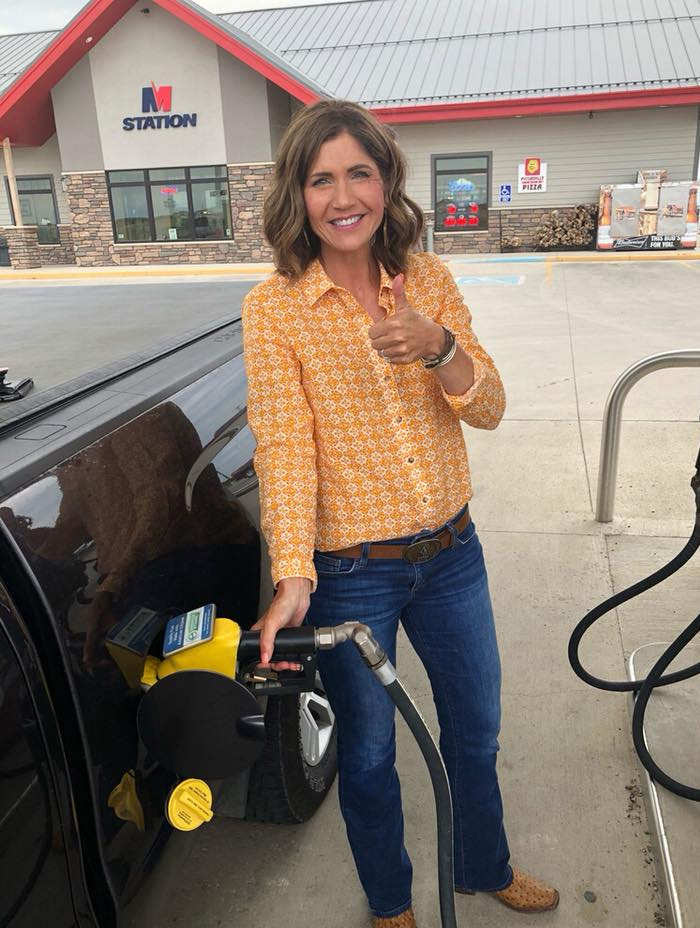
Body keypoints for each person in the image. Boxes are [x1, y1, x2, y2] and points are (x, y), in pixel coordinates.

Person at [241, 99, 559, 928]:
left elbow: (486, 407)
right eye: (321, 179)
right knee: (373, 755)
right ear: (297, 195)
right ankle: (390, 903)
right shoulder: (275, 307)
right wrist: (294, 575)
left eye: (359, 173)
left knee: (475, 729)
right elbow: (283, 446)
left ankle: (482, 866)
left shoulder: (428, 279)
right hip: (354, 576)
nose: (343, 196)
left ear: (386, 183)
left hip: (453, 554)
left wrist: (440, 347)